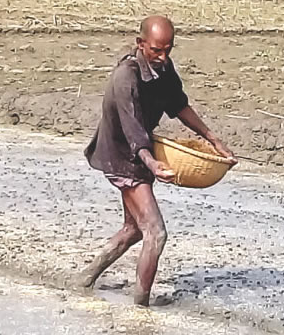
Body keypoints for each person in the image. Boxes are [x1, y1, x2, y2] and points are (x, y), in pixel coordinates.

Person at [77, 15, 236, 306]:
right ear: (141, 44)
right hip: (122, 155)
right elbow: (133, 131)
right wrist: (151, 163)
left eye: (168, 49)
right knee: (156, 231)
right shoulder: (126, 78)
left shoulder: (163, 68)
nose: (163, 56)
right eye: (156, 50)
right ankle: (141, 305)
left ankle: (84, 279)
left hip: (141, 151)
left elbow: (179, 105)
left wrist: (213, 140)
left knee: (134, 229)